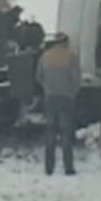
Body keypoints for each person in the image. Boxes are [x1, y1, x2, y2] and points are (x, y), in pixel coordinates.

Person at [36, 32, 81, 176]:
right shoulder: (72, 57)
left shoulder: (45, 56)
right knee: (66, 132)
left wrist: (47, 88)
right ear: (65, 42)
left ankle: (49, 168)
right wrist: (72, 92)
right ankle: (68, 168)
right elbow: (76, 79)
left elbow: (39, 77)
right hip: (66, 98)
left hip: (50, 98)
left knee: (50, 132)